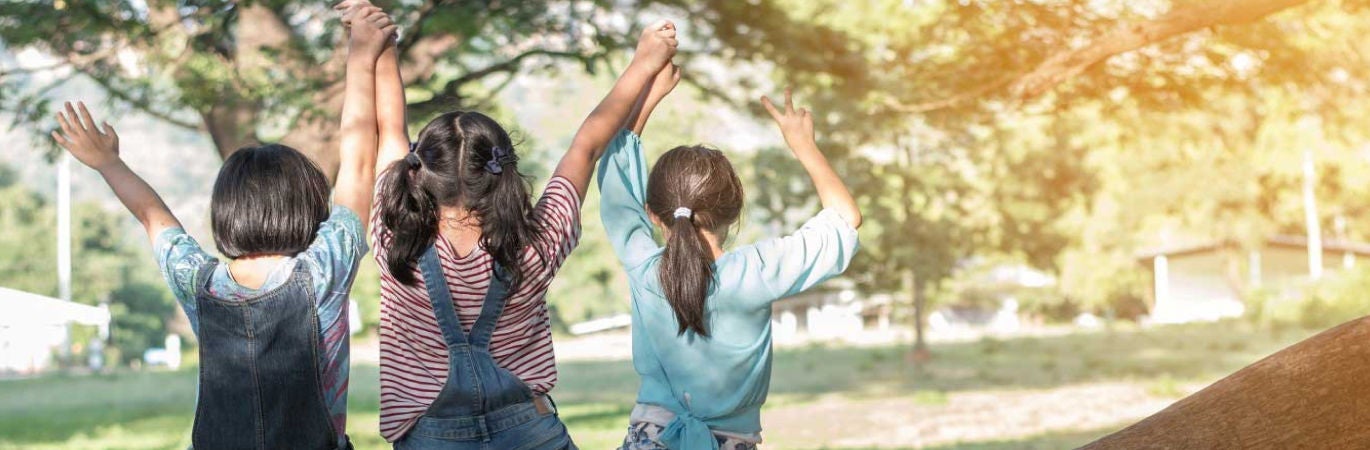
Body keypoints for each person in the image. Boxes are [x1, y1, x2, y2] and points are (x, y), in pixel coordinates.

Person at [49, 6, 395, 449]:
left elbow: (152, 215)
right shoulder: (325, 269)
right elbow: (360, 157)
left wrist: (108, 163)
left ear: (226, 212)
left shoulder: (200, 284)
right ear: (309, 207)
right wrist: (361, 56)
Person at [353, 0, 679, 445]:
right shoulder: (538, 241)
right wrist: (644, 64)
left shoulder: (395, 234)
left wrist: (383, 46)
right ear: (503, 170)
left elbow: (389, 126)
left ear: (417, 172)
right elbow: (586, 146)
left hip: (430, 436)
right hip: (530, 431)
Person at [599, 78, 863, 450]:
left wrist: (648, 97)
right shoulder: (758, 270)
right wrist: (804, 146)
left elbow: (616, 188)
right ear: (733, 211)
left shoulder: (644, 269)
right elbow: (844, 219)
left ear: (654, 216)